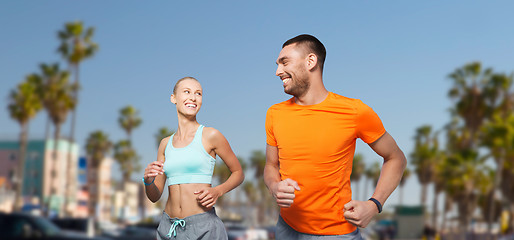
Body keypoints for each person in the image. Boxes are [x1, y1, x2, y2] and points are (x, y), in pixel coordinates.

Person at [264, 34, 407, 239]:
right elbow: (270, 165)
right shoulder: (274, 113)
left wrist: (374, 205)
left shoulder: (355, 111)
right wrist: (274, 186)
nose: (278, 71)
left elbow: (396, 158)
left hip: (337, 234)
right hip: (286, 229)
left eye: (284, 62)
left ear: (311, 61)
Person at [143, 77, 244, 240]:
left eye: (198, 93)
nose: (193, 97)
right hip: (168, 229)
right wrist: (148, 180)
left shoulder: (211, 135)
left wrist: (217, 191)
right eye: (187, 92)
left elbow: (238, 172)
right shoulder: (165, 144)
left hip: (203, 227)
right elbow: (154, 196)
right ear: (173, 98)